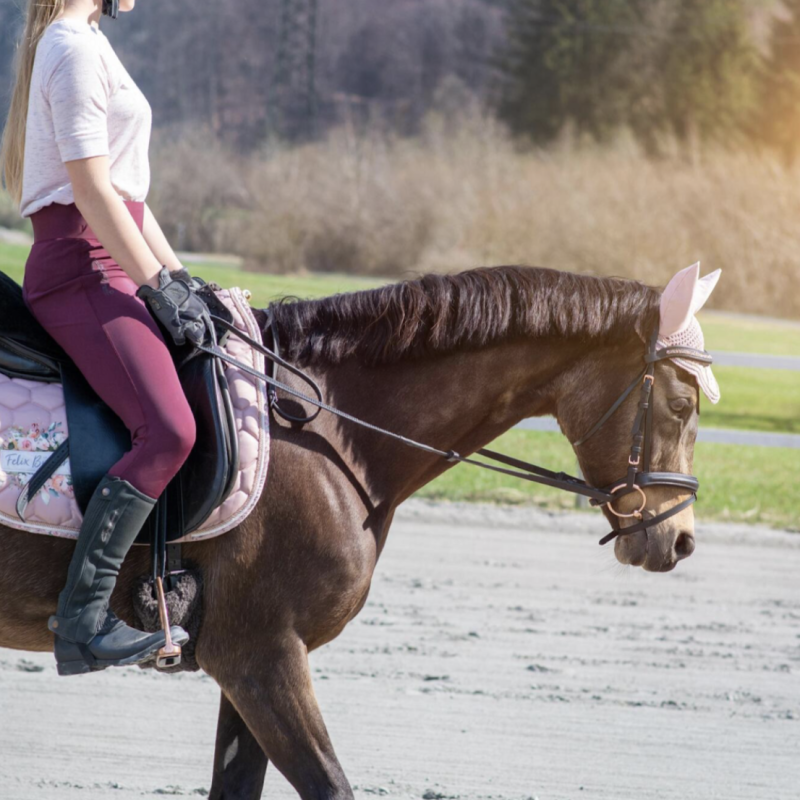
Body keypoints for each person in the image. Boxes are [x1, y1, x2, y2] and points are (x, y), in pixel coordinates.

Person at [0, 0, 211, 676]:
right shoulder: (70, 46)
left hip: (114, 261)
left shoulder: (87, 42)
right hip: (80, 272)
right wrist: (154, 286)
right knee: (168, 431)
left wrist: (180, 280)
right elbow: (90, 191)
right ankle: (84, 616)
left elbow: (127, 197)